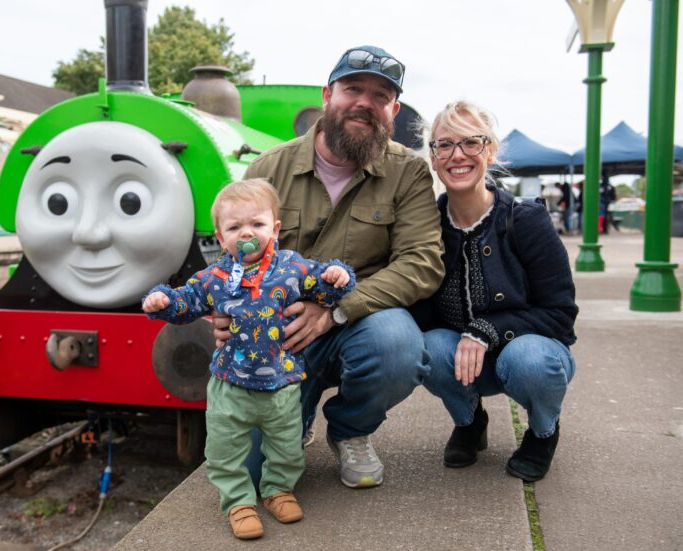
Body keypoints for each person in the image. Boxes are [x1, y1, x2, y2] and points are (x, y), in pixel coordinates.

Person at [215, 45, 444, 490]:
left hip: (360, 324)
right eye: (352, 88)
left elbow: (421, 261)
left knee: (399, 345)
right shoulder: (267, 169)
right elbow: (232, 258)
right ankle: (292, 423)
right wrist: (222, 311)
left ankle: (350, 431)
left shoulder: (408, 172)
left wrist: (337, 309)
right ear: (327, 95)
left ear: (393, 110)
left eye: (380, 95)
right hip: (279, 337)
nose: (365, 102)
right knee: (251, 476)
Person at [143, 178, 355, 539]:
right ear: (220, 237)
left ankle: (277, 490)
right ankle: (238, 501)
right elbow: (188, 301)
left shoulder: (292, 267)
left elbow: (324, 284)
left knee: (286, 444)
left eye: (256, 224)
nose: (247, 233)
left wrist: (338, 277)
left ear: (274, 228)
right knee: (224, 448)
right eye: (235, 227)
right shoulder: (214, 278)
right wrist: (164, 302)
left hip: (282, 382)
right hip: (230, 384)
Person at [419, 100, 578, 482]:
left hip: (529, 353)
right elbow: (418, 309)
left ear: (489, 151)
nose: (458, 155)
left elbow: (561, 316)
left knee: (529, 359)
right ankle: (470, 421)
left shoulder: (526, 219)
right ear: (434, 157)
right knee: (422, 346)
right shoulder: (426, 227)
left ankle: (542, 431)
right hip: (464, 361)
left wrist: (486, 329)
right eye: (445, 145)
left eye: (471, 143)